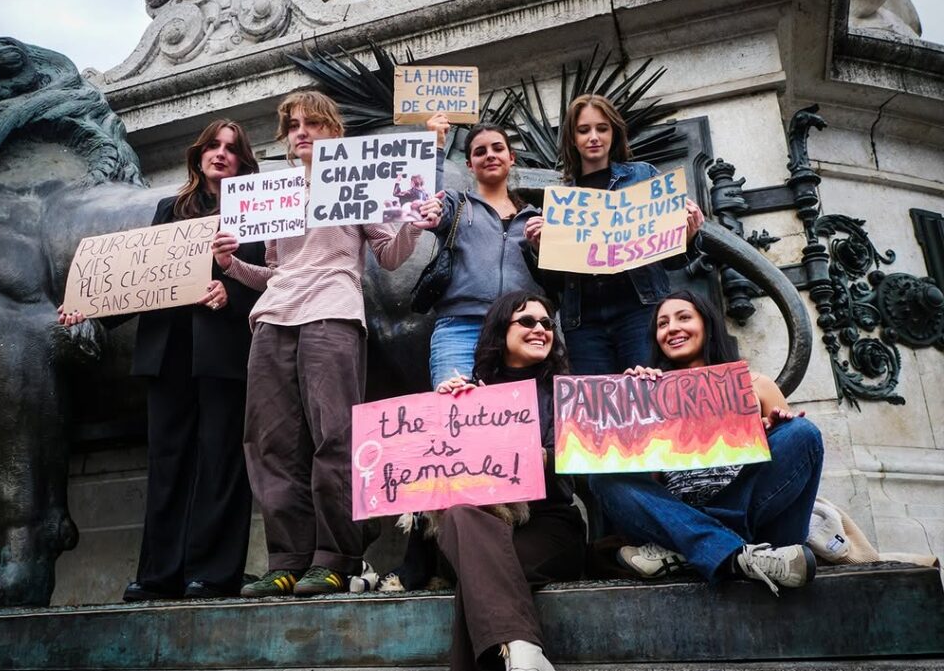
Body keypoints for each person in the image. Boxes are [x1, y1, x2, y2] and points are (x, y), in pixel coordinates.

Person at [212, 91, 425, 597]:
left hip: (333, 310)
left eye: (311, 122)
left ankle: (335, 557)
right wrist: (229, 266)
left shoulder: (355, 180)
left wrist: (412, 222)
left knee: (336, 437)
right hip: (273, 318)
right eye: (292, 125)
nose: (300, 131)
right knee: (271, 444)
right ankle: (286, 560)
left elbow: (390, 256)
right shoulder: (276, 192)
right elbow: (276, 272)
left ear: (333, 130)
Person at [59, 119, 265, 600]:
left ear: (242, 160)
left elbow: (275, 272)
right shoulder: (167, 209)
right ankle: (158, 575)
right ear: (198, 155)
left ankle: (213, 574)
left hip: (224, 351)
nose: (221, 154)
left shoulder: (257, 209)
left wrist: (230, 294)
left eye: (232, 149)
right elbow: (138, 278)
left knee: (221, 461)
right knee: (167, 462)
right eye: (213, 145)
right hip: (168, 351)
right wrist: (87, 307)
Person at [588, 290, 824, 595]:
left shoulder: (757, 385)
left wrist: (771, 431)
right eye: (662, 324)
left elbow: (786, 472)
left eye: (683, 317)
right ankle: (734, 554)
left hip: (753, 518)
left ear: (708, 324)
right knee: (602, 475)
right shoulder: (649, 393)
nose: (671, 328)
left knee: (803, 433)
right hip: (683, 512)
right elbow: (651, 483)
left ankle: (693, 550)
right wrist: (636, 405)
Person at [434, 290, 586, 671]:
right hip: (484, 525)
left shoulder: (569, 392)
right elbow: (442, 473)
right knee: (458, 515)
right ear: (501, 331)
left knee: (478, 583)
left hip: (550, 523)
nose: (541, 329)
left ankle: (523, 652)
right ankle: (524, 652)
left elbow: (582, 465)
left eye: (548, 323)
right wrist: (444, 416)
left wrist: (535, 455)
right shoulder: (468, 395)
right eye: (528, 321)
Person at [524, 94, 705, 376]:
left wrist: (689, 236)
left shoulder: (643, 176)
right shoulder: (561, 198)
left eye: (602, 128)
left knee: (649, 397)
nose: (594, 137)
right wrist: (540, 249)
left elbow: (671, 261)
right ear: (572, 138)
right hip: (584, 322)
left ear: (614, 133)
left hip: (640, 310)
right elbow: (555, 282)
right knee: (600, 410)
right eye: (584, 130)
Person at [417, 114, 546, 387]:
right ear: (469, 165)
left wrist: (541, 245)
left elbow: (555, 277)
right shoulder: (456, 204)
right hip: (460, 328)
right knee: (458, 417)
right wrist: (435, 145)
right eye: (480, 151)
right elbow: (428, 198)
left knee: (522, 421)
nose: (490, 155)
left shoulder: (534, 218)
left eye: (497, 148)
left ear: (511, 158)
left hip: (519, 329)